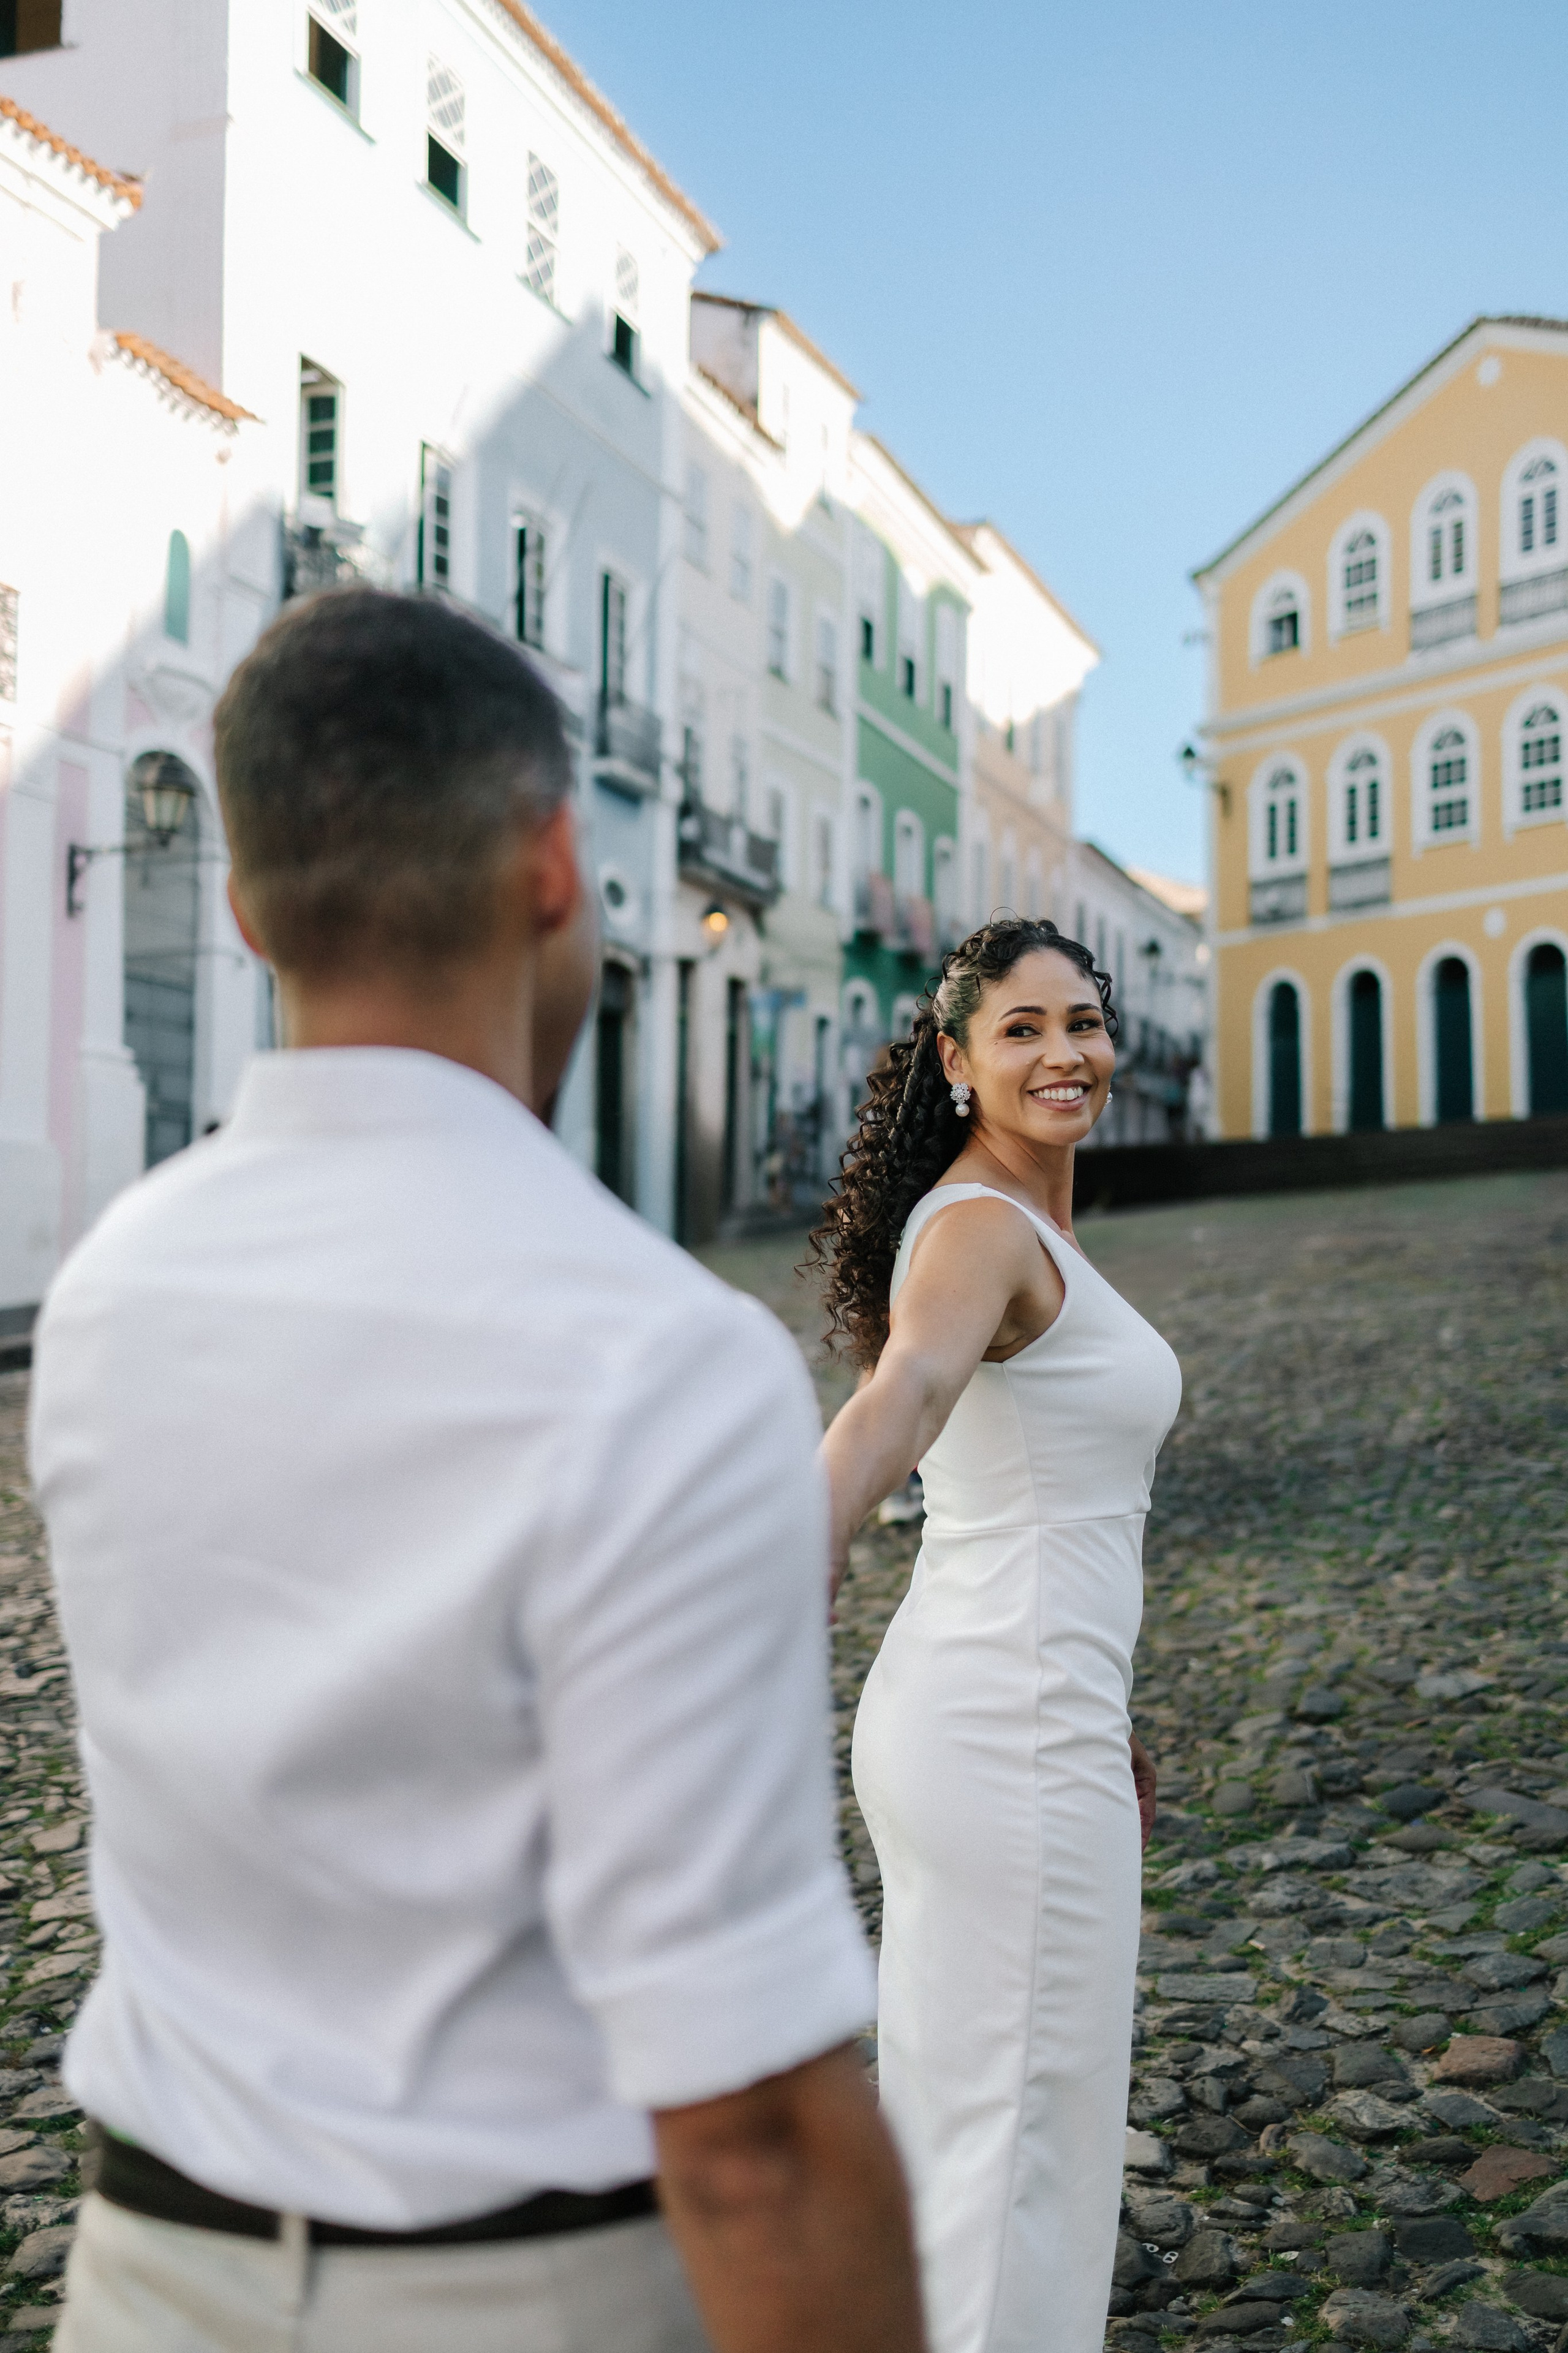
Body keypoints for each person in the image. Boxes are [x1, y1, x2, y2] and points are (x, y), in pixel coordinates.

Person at [30, 589, 927, 2353]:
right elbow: (750, 2136)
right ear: (552, 864)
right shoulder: (660, 1358)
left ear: (245, 906)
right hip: (530, 2298)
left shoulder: (106, 1294)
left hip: (145, 2284)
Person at [812, 918, 1182, 2353]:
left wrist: (1104, 1714)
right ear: (956, 1062)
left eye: (1078, 1021)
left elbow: (1030, 1503)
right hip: (1000, 1730)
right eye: (1019, 1029)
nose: (1061, 1051)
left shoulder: (1012, 1227)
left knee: (983, 2123)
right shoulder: (976, 1229)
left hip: (1018, 1711)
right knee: (1018, 2141)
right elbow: (893, 1406)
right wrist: (790, 1560)